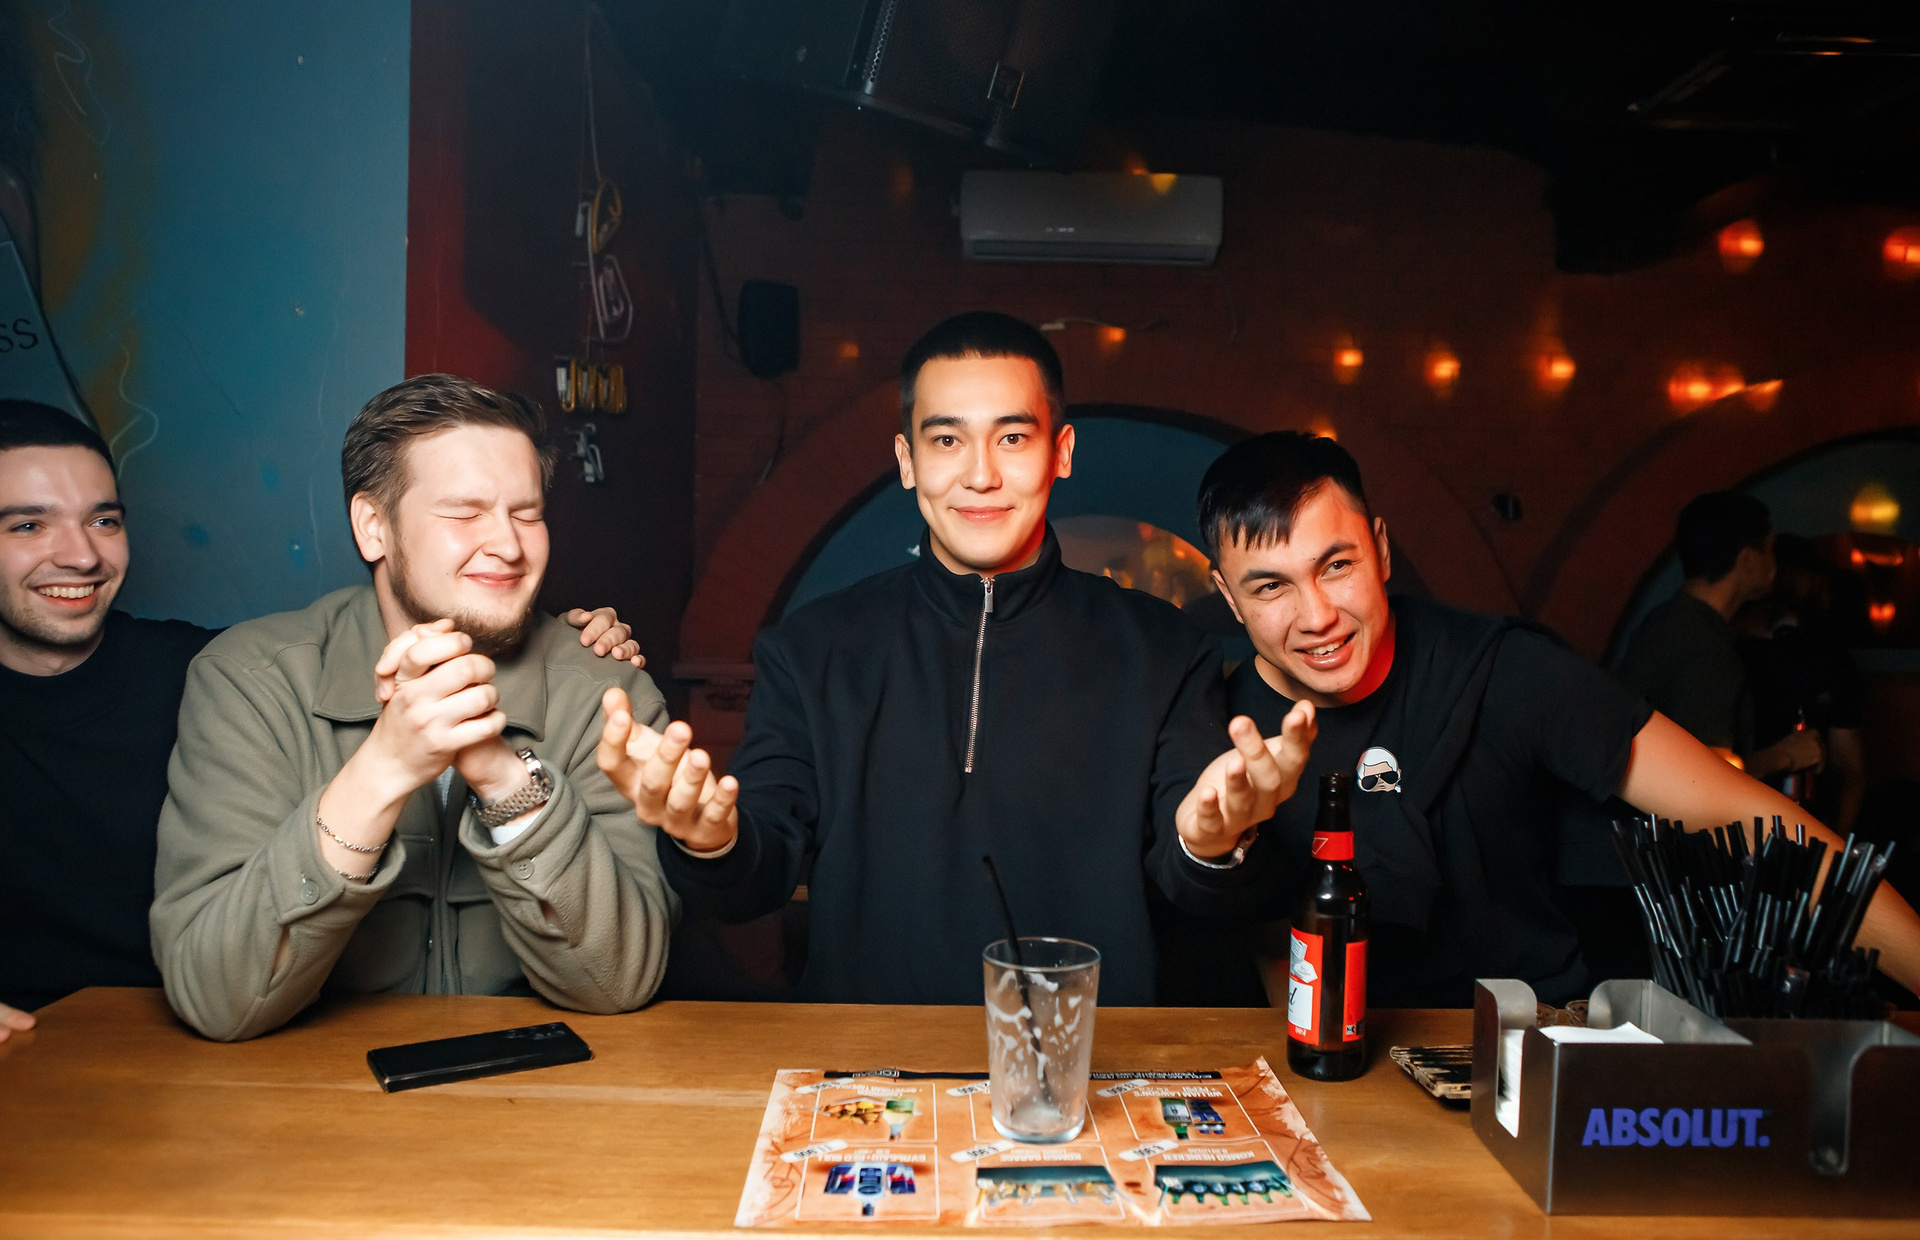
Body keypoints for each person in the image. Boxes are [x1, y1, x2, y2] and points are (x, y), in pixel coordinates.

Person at [596, 312, 1315, 1005]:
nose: (980, 475)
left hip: (1090, 1061)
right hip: (867, 1063)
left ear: (1061, 453)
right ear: (907, 461)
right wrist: (710, 839)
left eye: (1012, 438)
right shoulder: (812, 649)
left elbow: (1199, 881)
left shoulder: (1162, 649)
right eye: (946, 440)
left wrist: (1215, 842)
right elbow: (758, 871)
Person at [1199, 431, 1920, 1007]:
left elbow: (1748, 818)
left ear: (1381, 550)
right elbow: (1269, 951)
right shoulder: (1215, 731)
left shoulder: (1509, 671)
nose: (1318, 616)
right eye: (1271, 587)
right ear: (1229, 598)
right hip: (1344, 1068)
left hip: (1535, 1046)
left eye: (1336, 566)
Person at [0, 399, 642, 1043]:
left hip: (547, 1088)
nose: (508, 544)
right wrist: (383, 768)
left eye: (527, 514)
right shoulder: (249, 677)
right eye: (464, 512)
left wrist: (502, 775)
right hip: (302, 1088)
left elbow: (617, 982)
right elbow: (218, 1000)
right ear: (373, 526)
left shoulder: (604, 686)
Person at [1616, 491, 1822, 782]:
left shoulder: (1665, 621)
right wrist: (1785, 755)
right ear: (1747, 560)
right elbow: (1705, 777)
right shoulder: (1707, 649)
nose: (1775, 564)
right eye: (1770, 550)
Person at [1736, 533, 1867, 833]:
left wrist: (1836, 845)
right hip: (1739, 818)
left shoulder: (1829, 661)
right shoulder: (1730, 653)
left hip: (1803, 821)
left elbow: (1851, 773)